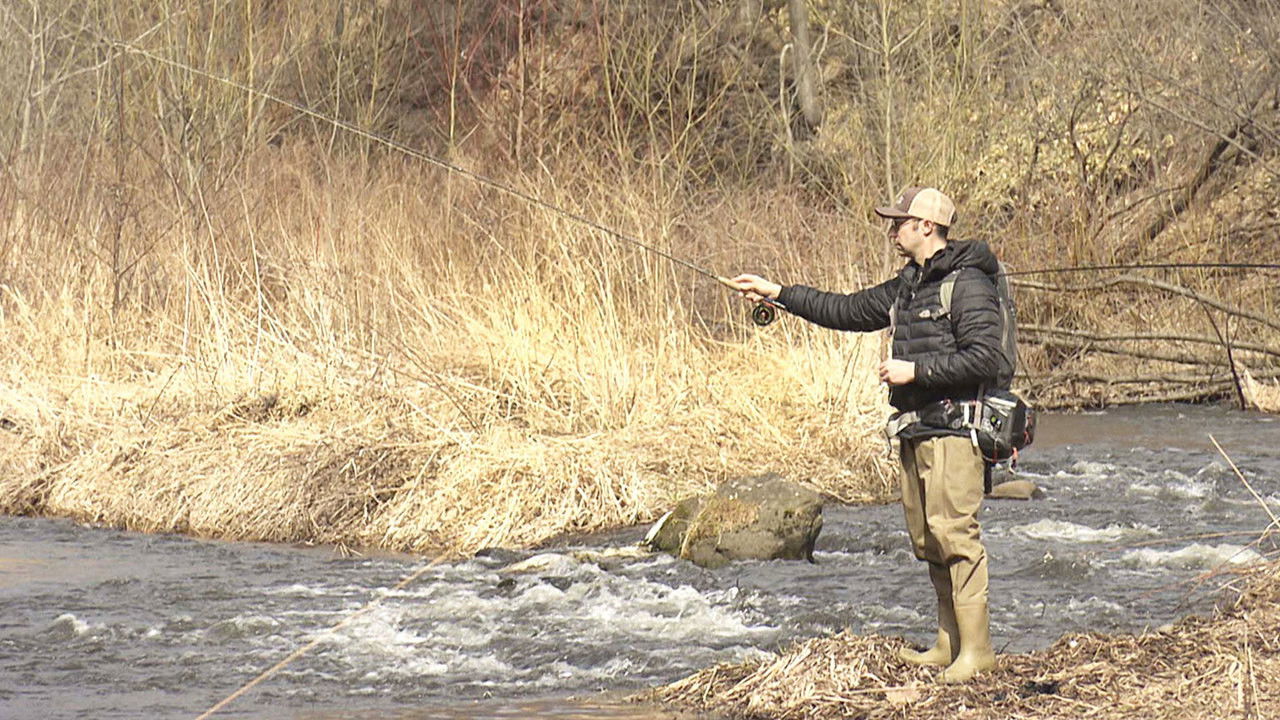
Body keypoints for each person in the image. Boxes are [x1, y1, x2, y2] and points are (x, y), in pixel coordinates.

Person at [726, 186, 1008, 683]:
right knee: (927, 540)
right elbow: (847, 310)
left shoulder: (969, 285)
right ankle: (949, 644)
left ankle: (977, 652)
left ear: (926, 226)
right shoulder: (908, 286)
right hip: (917, 429)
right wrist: (779, 295)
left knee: (955, 535)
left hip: (956, 431)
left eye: (899, 221)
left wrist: (913, 371)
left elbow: (988, 358)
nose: (892, 229)